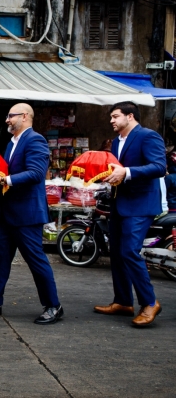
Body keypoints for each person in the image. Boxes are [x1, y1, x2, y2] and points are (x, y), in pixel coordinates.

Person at [0, 103, 63, 325]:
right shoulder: (12, 143)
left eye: (11, 116)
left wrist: (5, 180)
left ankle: (53, 305)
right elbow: (9, 172)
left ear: (24, 116)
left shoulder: (35, 140)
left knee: (36, 261)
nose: (7, 120)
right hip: (8, 211)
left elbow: (36, 174)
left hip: (27, 214)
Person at [95, 101, 166, 327]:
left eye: (115, 116)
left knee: (129, 251)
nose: (111, 121)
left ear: (130, 116)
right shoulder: (117, 141)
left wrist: (127, 172)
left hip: (141, 205)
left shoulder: (148, 136)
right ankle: (123, 302)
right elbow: (118, 170)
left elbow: (159, 167)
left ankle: (150, 302)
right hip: (120, 203)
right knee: (116, 252)